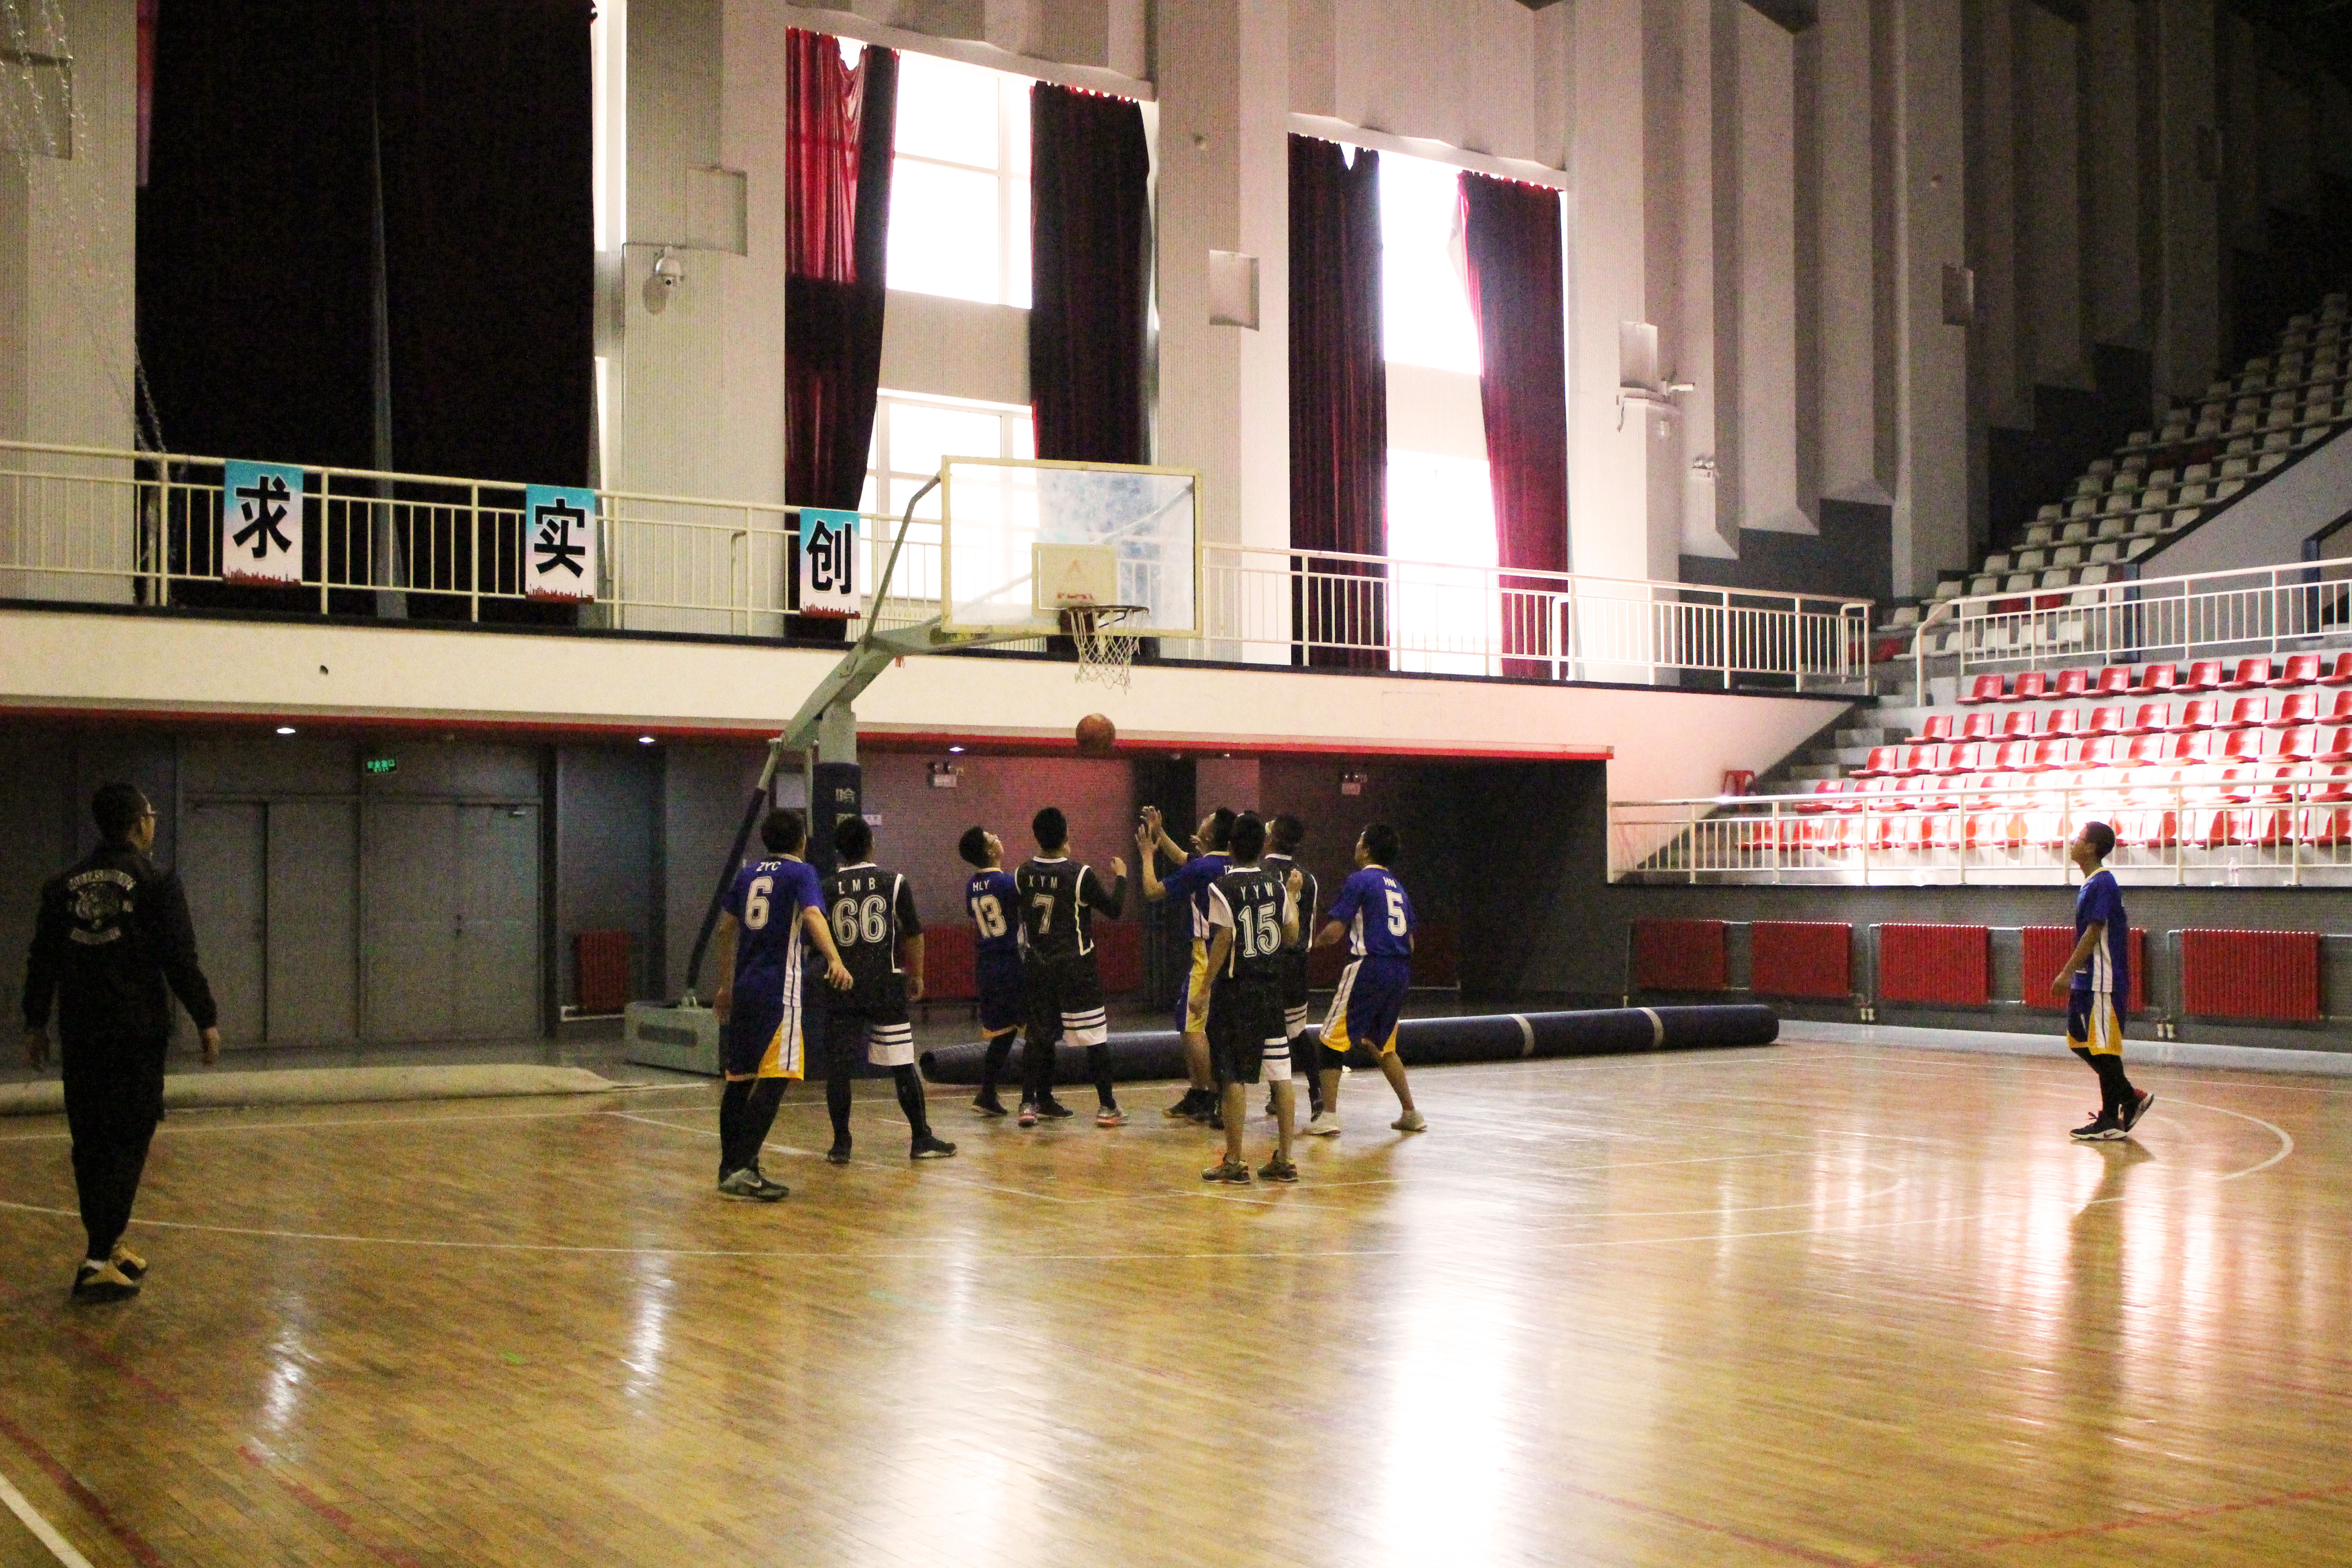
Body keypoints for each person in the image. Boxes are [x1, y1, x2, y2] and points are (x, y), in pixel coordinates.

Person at [20, 784, 220, 1302]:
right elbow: (180, 958)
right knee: (128, 1140)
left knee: (90, 1140)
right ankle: (95, 1260)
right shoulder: (157, 881)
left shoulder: (62, 885)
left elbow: (43, 959)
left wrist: (35, 1023)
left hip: (82, 1034)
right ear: (139, 823)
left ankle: (107, 1245)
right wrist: (206, 1018)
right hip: (135, 1035)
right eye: (151, 815)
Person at [711, 808, 853, 1200]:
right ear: (802, 841)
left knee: (739, 1082)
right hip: (779, 992)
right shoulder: (801, 873)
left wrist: (725, 987)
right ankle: (744, 1167)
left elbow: (724, 931)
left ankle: (729, 1168)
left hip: (745, 990)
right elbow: (813, 914)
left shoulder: (747, 874)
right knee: (776, 1079)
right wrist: (835, 959)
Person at [815, 815, 956, 1163]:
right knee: (902, 1063)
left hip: (843, 985)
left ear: (839, 850)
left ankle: (841, 1144)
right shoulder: (893, 881)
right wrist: (917, 976)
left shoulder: (826, 887)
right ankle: (921, 1138)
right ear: (871, 844)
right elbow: (914, 933)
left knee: (839, 1070)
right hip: (885, 984)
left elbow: (815, 936)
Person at [1200, 813, 1303, 1184]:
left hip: (1235, 992)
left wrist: (1204, 989)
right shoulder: (1277, 887)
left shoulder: (1221, 887)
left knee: (1232, 1075)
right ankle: (1286, 1160)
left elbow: (1224, 939)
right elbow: (1291, 936)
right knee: (1281, 1075)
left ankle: (1234, 1161)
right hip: (1271, 991)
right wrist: (1292, 896)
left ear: (1230, 847)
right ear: (1262, 847)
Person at [1307, 823, 1425, 1135]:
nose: (1356, 845)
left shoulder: (1359, 880)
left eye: (1360, 840)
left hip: (1368, 968)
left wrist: (1308, 947)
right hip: (1400, 971)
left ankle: (1328, 1116)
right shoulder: (1398, 887)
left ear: (1367, 849)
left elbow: (1336, 931)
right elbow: (1411, 942)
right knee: (1382, 1045)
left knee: (1329, 1040)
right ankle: (1411, 1113)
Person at [1014, 807, 1128, 1128]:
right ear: (1066, 835)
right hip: (1076, 967)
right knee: (1094, 1037)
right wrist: (1122, 876)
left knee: (1038, 1036)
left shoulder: (1022, 873)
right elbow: (1114, 910)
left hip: (1038, 965)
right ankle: (1107, 1106)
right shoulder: (1079, 874)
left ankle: (1029, 1103)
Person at [2049, 821, 2155, 1142]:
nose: (2072, 841)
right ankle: (2129, 1097)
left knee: (2104, 1049)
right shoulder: (2090, 883)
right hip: (2087, 981)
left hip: (2103, 980)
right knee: (2079, 1041)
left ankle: (2110, 1118)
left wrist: (2066, 972)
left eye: (2079, 838)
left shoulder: (2103, 883)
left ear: (2092, 847)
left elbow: (2094, 932)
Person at [1134, 804, 1233, 1125]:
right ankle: (1204, 1092)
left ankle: (1208, 1095)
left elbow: (1152, 891)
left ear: (1211, 834)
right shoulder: (1233, 863)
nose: (1203, 820)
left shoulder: (1203, 868)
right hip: (1235, 954)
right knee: (1208, 1025)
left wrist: (1147, 855)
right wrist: (1161, 833)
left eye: (1209, 820)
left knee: (1192, 1025)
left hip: (1208, 950)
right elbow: (1182, 858)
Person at [958, 825, 1026, 1117]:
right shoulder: (1009, 883)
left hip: (987, 965)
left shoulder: (971, 886)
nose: (998, 837)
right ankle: (1034, 1098)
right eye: (991, 837)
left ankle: (987, 1093)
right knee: (1034, 1030)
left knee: (1003, 1033)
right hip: (1010, 963)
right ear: (989, 851)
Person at [1260, 813, 1323, 1123]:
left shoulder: (1259, 874)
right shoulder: (1308, 878)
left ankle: (1223, 1100)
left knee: (1258, 1031)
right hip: (1297, 965)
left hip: (1265, 964)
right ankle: (1317, 1093)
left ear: (1271, 838)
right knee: (1296, 1032)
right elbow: (1309, 929)